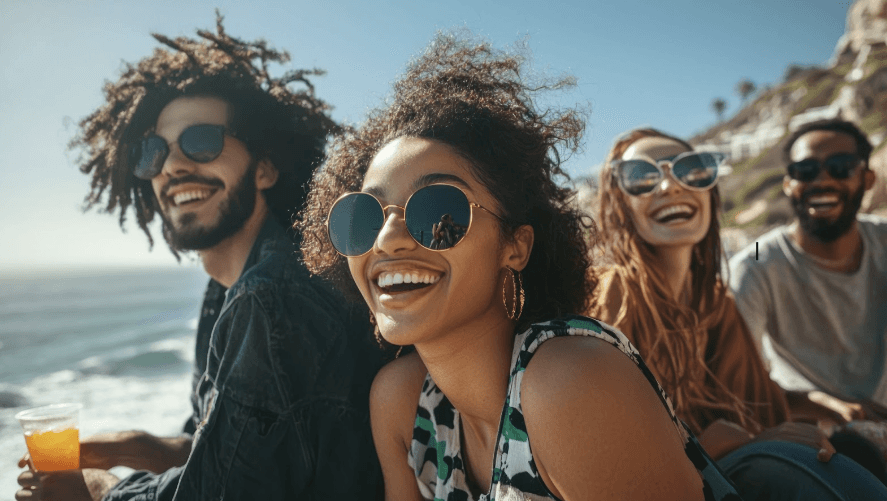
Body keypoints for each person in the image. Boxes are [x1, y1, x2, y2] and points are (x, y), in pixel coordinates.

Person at [298, 34, 740, 500]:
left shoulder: (570, 382)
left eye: (438, 213)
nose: (387, 240)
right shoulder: (403, 405)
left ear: (515, 246)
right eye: (364, 217)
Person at [15, 16, 383, 501]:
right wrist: (135, 445)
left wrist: (103, 491)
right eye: (153, 153)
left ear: (266, 168)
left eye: (201, 141)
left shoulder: (273, 297)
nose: (172, 166)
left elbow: (220, 491)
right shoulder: (232, 285)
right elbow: (227, 446)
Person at [589, 126, 887, 500]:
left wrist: (812, 408)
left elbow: (757, 406)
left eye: (690, 169)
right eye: (641, 176)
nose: (670, 187)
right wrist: (715, 443)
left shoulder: (715, 304)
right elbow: (603, 455)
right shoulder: (613, 296)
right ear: (620, 202)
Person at [729, 119, 887, 413]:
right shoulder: (756, 264)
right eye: (806, 170)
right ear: (789, 185)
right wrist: (822, 406)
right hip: (810, 435)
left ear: (867, 179)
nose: (822, 180)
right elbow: (737, 385)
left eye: (841, 167)